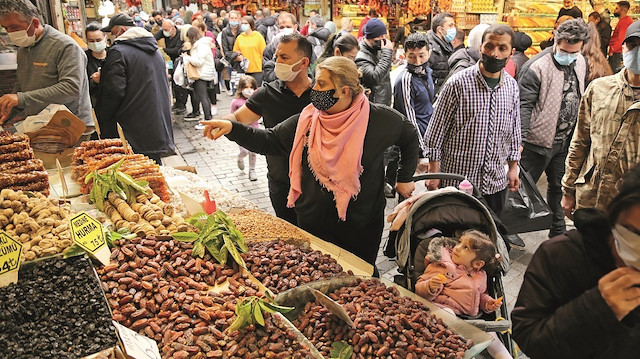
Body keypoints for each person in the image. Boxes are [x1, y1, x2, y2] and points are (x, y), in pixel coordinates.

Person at [200, 56, 419, 269]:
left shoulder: (380, 119)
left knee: (361, 280)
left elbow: (410, 136)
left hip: (361, 224)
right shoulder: (308, 119)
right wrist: (232, 128)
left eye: (322, 84)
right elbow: (270, 141)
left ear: (344, 91)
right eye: (315, 82)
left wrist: (404, 177)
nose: (314, 89)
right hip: (313, 222)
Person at [512, 165, 640, 359]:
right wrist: (597, 309)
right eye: (635, 233)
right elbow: (529, 337)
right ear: (615, 217)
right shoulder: (561, 255)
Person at [199, 33, 313, 225]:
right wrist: (223, 123)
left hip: (317, 185)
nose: (278, 62)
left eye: (284, 58)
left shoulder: (321, 93)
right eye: (276, 57)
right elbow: (238, 118)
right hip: (281, 181)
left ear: (303, 63)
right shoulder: (268, 93)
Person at [424, 24, 521, 223]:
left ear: (511, 53)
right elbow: (435, 131)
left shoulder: (511, 86)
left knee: (487, 237)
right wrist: (434, 172)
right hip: (459, 181)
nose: (494, 54)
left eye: (502, 48)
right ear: (480, 48)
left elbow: (514, 128)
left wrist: (513, 167)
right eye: (489, 46)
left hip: (495, 182)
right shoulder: (458, 84)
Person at [518, 19, 589, 238]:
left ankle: (557, 231)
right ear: (555, 41)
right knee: (522, 191)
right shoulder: (537, 66)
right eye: (564, 50)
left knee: (559, 187)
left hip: (564, 141)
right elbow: (524, 105)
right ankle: (509, 231)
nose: (568, 55)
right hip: (535, 143)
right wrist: (519, 140)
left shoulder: (580, 62)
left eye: (574, 51)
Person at [562, 21, 640, 215]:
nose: (637, 51)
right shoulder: (600, 89)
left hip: (631, 208)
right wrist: (568, 190)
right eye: (633, 45)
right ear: (623, 48)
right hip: (591, 197)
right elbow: (580, 142)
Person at [416, 230, 511, 359]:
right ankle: (460, 348)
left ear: (478, 264)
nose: (457, 247)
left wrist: (488, 303)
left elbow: (480, 295)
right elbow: (419, 289)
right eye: (460, 242)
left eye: (465, 247)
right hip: (441, 312)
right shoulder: (442, 264)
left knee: (492, 335)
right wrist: (430, 286)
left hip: (470, 320)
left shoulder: (481, 275)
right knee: (449, 313)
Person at [0, 0, 93, 131]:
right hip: (38, 123)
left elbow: (71, 88)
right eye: (6, 28)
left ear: (35, 23)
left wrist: (20, 98)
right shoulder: (23, 49)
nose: (10, 33)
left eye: (14, 27)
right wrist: (8, 108)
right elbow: (22, 87)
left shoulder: (65, 46)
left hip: (70, 127)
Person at [96, 14, 175, 164]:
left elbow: (113, 92)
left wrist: (104, 120)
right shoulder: (154, 50)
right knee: (152, 173)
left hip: (131, 131)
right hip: (153, 127)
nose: (111, 37)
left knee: (138, 176)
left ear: (122, 30)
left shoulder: (118, 52)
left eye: (112, 32)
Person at [393, 32, 434, 160]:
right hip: (415, 148)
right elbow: (409, 120)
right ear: (404, 55)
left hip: (427, 139)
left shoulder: (427, 72)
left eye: (421, 56)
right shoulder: (405, 80)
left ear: (429, 53)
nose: (417, 62)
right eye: (411, 57)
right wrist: (422, 151)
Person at [355, 18, 393, 106]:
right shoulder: (360, 56)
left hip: (382, 101)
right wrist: (387, 53)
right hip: (373, 104)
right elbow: (374, 77)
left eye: (385, 36)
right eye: (380, 37)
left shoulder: (378, 49)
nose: (384, 40)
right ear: (370, 38)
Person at [183, 27, 217, 124]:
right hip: (205, 72)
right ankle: (208, 117)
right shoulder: (203, 45)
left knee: (203, 97)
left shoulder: (200, 46)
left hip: (202, 74)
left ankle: (207, 119)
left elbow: (199, 62)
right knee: (205, 96)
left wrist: (187, 58)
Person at [155, 19, 187, 115]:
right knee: (173, 83)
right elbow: (154, 37)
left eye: (166, 29)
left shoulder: (180, 35)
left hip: (179, 62)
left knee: (180, 84)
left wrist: (162, 49)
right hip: (170, 63)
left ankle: (182, 104)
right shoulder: (164, 32)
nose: (164, 31)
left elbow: (176, 50)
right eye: (163, 29)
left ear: (172, 29)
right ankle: (177, 102)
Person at [231, 75, 259, 181]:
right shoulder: (236, 102)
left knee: (253, 152)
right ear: (240, 88)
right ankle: (240, 158)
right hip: (241, 132)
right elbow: (232, 115)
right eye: (246, 87)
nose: (249, 90)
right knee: (244, 151)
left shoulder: (256, 100)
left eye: (251, 87)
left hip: (254, 130)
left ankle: (252, 170)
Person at [261, 12, 300, 83]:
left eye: (288, 27)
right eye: (282, 27)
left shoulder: (304, 45)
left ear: (295, 27)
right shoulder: (270, 48)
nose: (285, 30)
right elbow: (267, 70)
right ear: (278, 28)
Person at [427, 12, 456, 95]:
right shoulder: (431, 48)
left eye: (454, 25)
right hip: (434, 96)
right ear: (440, 29)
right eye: (450, 26)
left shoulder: (447, 46)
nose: (453, 29)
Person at [233, 16, 266, 86]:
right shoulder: (240, 37)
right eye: (242, 23)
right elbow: (235, 51)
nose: (243, 25)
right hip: (243, 69)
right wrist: (238, 56)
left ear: (251, 25)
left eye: (246, 23)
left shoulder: (258, 36)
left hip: (257, 69)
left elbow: (263, 52)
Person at [84, 22, 108, 108]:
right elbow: (80, 86)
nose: (95, 43)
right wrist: (93, 81)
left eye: (98, 40)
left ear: (105, 38)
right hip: (94, 105)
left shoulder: (114, 55)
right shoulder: (83, 58)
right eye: (91, 41)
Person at [220, 10, 242, 95]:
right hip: (231, 60)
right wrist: (235, 55)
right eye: (232, 18)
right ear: (229, 19)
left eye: (235, 18)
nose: (234, 20)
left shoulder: (242, 30)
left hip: (242, 60)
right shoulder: (225, 32)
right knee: (234, 82)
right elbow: (225, 49)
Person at [609, 1, 633, 72]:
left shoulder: (624, 22)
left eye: (617, 8)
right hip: (620, 51)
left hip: (618, 52)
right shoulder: (626, 20)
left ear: (623, 10)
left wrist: (612, 49)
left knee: (614, 73)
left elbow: (621, 39)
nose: (614, 10)